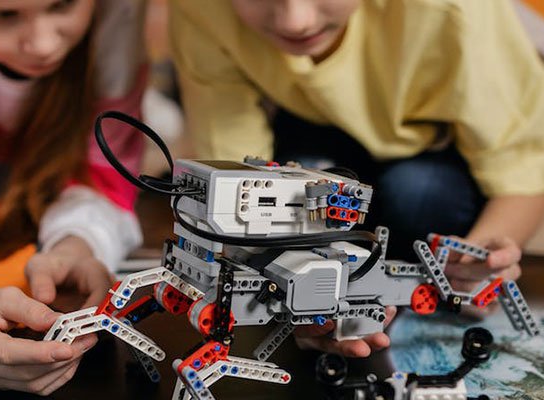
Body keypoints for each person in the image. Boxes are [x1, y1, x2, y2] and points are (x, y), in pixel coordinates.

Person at [169, 0, 544, 356]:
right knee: (301, 191)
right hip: (314, 132)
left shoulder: (457, 11)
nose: (295, 22)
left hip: (437, 152)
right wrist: (290, 291)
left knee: (418, 196)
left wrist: (475, 261)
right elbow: (234, 181)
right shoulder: (202, 10)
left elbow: (524, 170)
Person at [0, 0, 147, 394]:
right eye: (3, 15)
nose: (42, 45)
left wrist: (77, 243)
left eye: (63, 5)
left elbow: (104, 173)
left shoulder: (119, 17)